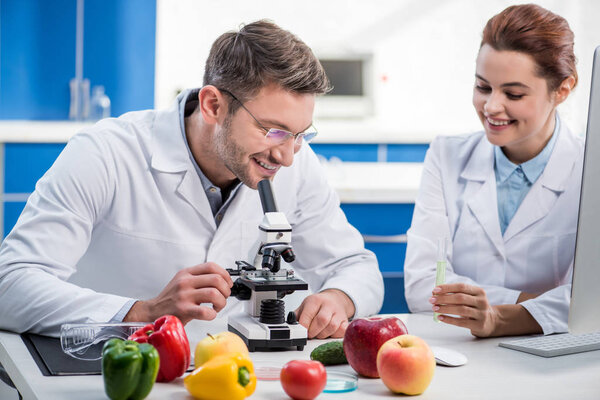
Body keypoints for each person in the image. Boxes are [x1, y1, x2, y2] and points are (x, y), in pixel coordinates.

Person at [0, 20, 383, 339]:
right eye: (272, 130)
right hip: (112, 371)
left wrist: (339, 297)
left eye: (301, 135)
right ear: (213, 105)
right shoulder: (106, 153)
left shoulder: (297, 163)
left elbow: (358, 267)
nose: (286, 156)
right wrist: (142, 311)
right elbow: (10, 284)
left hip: (229, 376)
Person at [404, 4, 581, 337]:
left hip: (553, 358)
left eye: (513, 93)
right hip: (459, 350)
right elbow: (423, 284)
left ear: (562, 90)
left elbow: (589, 302)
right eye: (483, 87)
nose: (491, 106)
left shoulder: (590, 170)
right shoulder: (447, 155)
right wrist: (530, 303)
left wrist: (500, 318)